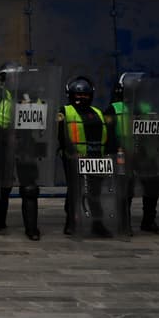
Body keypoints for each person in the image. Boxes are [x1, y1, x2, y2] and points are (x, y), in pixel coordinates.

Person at [105, 72, 159, 235]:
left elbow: (156, 131)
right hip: (123, 154)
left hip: (145, 154)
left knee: (153, 185)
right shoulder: (114, 108)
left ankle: (149, 221)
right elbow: (108, 135)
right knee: (126, 189)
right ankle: (124, 223)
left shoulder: (146, 108)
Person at [0, 62, 41, 240]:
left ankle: (31, 228)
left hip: (25, 144)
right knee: (2, 186)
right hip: (3, 144)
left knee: (30, 188)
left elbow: (41, 120)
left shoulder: (31, 96)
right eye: (11, 78)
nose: (14, 82)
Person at [59, 76, 114, 238]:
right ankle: (71, 223)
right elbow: (61, 135)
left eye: (85, 95)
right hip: (74, 158)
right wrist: (71, 152)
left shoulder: (97, 112)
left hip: (96, 158)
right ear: (70, 95)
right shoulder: (64, 111)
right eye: (77, 95)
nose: (81, 97)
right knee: (75, 191)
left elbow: (106, 134)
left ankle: (98, 224)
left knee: (95, 192)